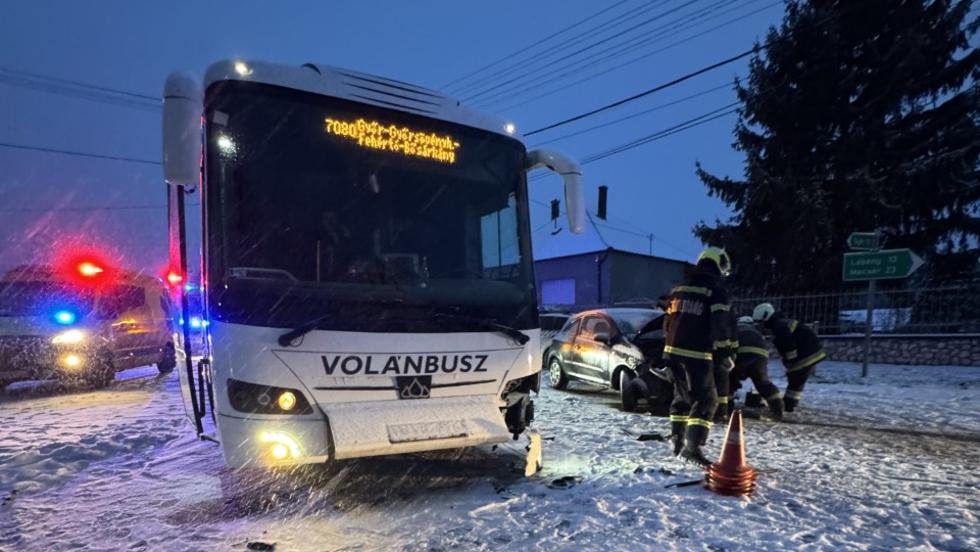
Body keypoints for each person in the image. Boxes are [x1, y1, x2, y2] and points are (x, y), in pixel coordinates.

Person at [663, 247, 737, 466]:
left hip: (672, 351)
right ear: (720, 265)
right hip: (697, 352)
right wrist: (724, 353)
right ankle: (691, 448)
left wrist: (666, 349)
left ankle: (677, 441)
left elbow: (667, 322)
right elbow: (720, 323)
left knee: (681, 397)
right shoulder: (715, 289)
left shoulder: (679, 288)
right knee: (706, 399)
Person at [752, 303, 827, 412]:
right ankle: (789, 403)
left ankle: (788, 405)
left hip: (806, 354)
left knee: (796, 378)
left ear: (765, 317)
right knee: (797, 380)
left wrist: (790, 360)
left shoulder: (778, 325)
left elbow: (787, 344)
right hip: (811, 352)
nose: (762, 325)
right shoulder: (781, 322)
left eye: (762, 322)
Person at [730, 316, 783, 419]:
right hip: (760, 357)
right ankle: (777, 408)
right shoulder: (756, 332)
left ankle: (727, 407)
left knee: (730, 379)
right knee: (763, 383)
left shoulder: (735, 328)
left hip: (741, 354)